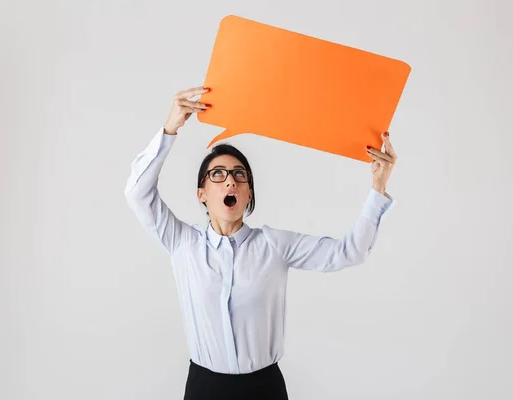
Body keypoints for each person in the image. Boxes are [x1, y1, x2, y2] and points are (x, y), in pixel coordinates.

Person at [124, 86, 397, 400]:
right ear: (201, 194)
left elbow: (349, 252)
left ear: (248, 193)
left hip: (263, 389)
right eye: (218, 174)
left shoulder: (273, 245)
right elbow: (137, 194)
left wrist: (378, 186)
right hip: (204, 388)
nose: (230, 181)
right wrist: (171, 128)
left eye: (240, 175)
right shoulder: (182, 243)